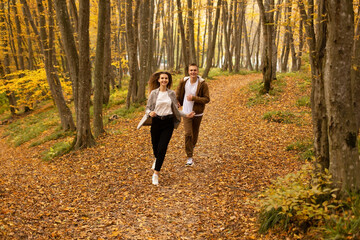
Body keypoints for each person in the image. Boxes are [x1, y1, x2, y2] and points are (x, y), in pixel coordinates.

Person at [137, 71, 194, 185]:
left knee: (162, 148)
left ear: (168, 81)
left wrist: (186, 114)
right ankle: (157, 160)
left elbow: (176, 110)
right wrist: (150, 113)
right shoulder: (153, 93)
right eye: (162, 78)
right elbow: (147, 109)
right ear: (158, 80)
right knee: (156, 147)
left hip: (168, 123)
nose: (164, 80)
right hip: (156, 122)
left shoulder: (171, 93)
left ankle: (156, 174)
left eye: (166, 78)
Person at [176, 63, 210, 166]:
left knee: (194, 135)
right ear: (188, 71)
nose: (193, 72)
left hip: (197, 113)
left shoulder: (203, 84)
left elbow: (207, 99)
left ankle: (192, 146)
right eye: (191, 70)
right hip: (186, 112)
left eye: (195, 70)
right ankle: (189, 157)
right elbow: (178, 93)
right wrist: (178, 101)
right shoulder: (183, 81)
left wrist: (194, 98)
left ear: (198, 71)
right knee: (188, 134)